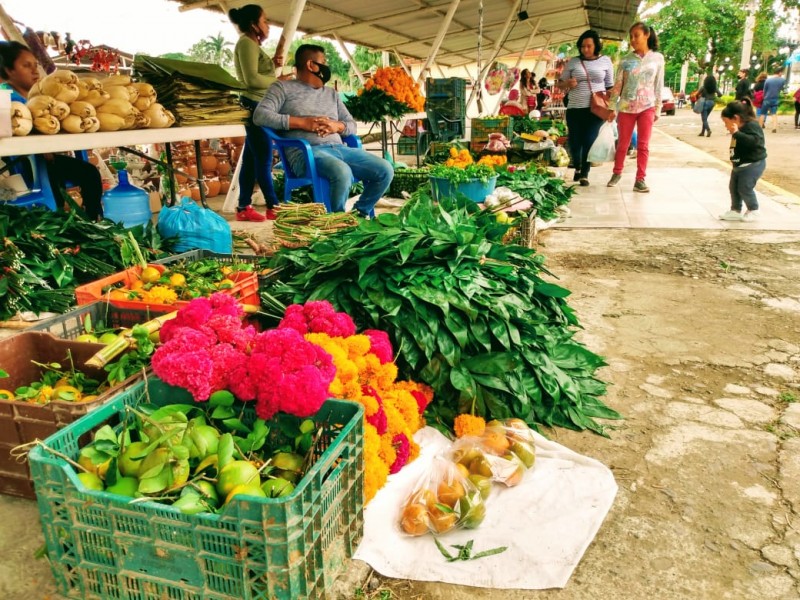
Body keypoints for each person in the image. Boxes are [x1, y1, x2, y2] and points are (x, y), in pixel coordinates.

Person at [253, 44, 393, 217]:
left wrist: (337, 126)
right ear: (311, 65)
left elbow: (351, 125)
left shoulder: (331, 94)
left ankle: (359, 214)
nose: (327, 66)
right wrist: (302, 123)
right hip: (307, 153)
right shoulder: (282, 88)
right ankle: (337, 222)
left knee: (385, 169)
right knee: (342, 171)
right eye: (324, 62)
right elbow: (260, 115)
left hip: (339, 149)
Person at [0, 41, 103, 220]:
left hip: (40, 160)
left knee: (85, 172)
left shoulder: (38, 98)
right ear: (9, 71)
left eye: (35, 65)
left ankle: (86, 219)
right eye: (26, 65)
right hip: (22, 164)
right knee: (88, 174)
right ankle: (92, 221)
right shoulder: (10, 100)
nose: (35, 71)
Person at [229, 5, 290, 222]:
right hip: (254, 106)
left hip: (259, 104)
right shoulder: (246, 43)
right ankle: (274, 206)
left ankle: (243, 206)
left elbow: (259, 75)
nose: (268, 25)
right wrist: (278, 80)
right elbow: (252, 80)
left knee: (252, 159)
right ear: (254, 24)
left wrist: (272, 66)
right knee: (264, 158)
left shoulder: (252, 44)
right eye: (264, 21)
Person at [607, 22, 664, 193]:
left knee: (643, 145)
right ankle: (617, 172)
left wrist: (658, 107)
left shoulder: (657, 59)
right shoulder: (625, 60)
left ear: (646, 35)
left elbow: (659, 84)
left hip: (647, 106)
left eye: (636, 35)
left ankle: (640, 179)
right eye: (631, 36)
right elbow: (618, 84)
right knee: (623, 143)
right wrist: (612, 107)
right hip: (626, 106)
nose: (633, 40)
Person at [557, 29, 614, 186]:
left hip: (595, 109)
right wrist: (567, 84)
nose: (585, 49)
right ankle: (577, 166)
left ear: (596, 46)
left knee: (589, 140)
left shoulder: (605, 61)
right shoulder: (573, 62)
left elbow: (610, 86)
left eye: (589, 46)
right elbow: (559, 83)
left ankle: (584, 174)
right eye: (582, 46)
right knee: (575, 142)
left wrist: (613, 105)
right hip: (575, 107)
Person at [718, 101, 766, 222]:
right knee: (733, 187)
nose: (725, 126)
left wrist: (737, 134)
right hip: (739, 165)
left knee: (745, 188)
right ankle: (735, 210)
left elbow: (754, 142)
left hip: (752, 164)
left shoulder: (752, 126)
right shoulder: (738, 129)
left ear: (736, 118)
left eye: (726, 122)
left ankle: (754, 209)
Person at [760, 66, 786, 133]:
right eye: (781, 73)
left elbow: (764, 90)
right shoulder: (782, 80)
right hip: (775, 99)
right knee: (774, 113)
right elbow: (782, 89)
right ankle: (774, 128)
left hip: (767, 99)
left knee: (763, 113)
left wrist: (764, 97)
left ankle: (759, 127)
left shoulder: (768, 80)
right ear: (779, 72)